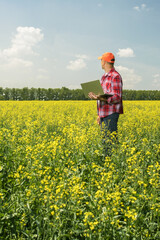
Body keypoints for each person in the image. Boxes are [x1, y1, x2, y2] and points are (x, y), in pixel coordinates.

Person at [88, 52, 123, 156]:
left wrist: (100, 97)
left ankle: (113, 166)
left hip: (111, 114)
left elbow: (117, 97)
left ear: (104, 62)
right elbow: (103, 95)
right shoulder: (104, 77)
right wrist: (99, 114)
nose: (100, 63)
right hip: (104, 114)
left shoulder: (115, 76)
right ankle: (108, 165)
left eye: (101, 60)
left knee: (110, 144)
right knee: (105, 143)